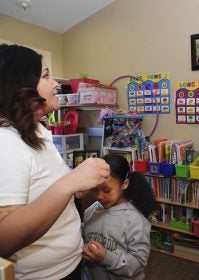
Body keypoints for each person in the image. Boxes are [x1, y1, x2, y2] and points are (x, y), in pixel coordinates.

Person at [0, 44, 110, 280]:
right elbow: (4, 239)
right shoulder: (5, 143)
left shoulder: (38, 131)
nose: (56, 84)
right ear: (22, 87)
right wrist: (68, 183)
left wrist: (76, 185)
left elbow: (43, 190)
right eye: (46, 76)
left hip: (69, 264)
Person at [82, 154, 158, 280]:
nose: (99, 196)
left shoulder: (135, 220)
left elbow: (137, 264)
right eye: (95, 190)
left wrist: (106, 257)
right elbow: (84, 234)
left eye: (106, 190)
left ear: (125, 184)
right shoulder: (91, 211)